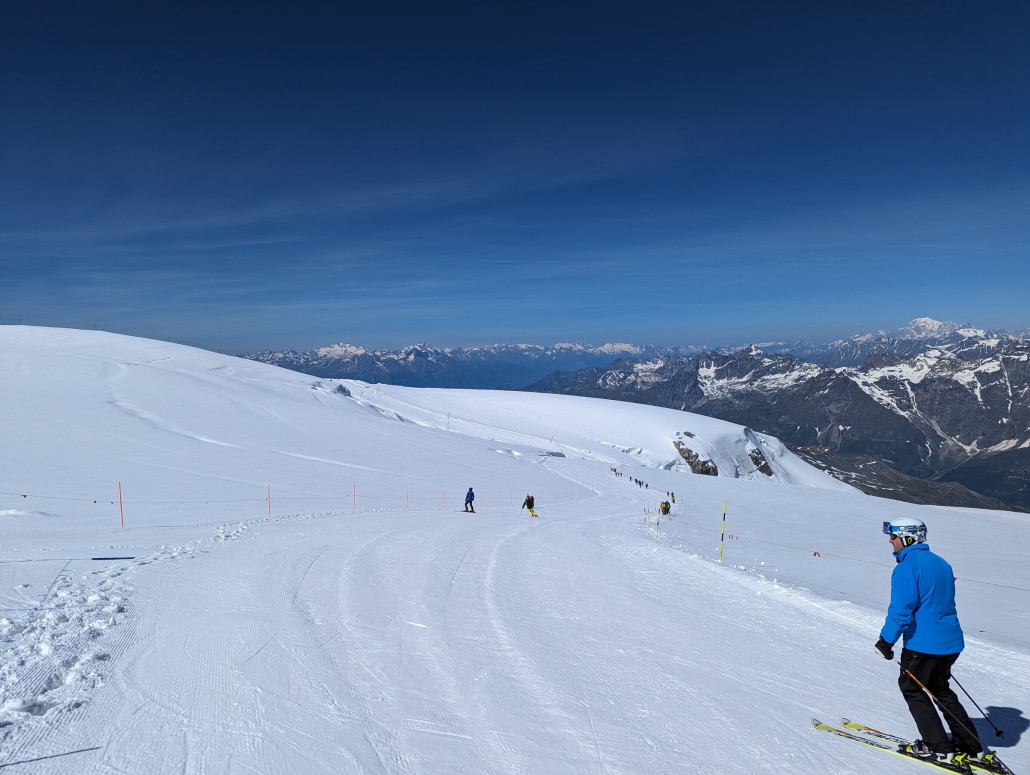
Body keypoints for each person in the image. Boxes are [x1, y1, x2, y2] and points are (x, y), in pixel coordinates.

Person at [876, 517, 993, 769]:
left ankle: (938, 748)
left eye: (894, 537)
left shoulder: (907, 567)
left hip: (922, 645)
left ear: (908, 538)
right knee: (940, 688)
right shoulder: (941, 563)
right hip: (950, 642)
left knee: (912, 688)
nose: (890, 541)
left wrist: (886, 640)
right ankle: (971, 747)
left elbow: (902, 609)